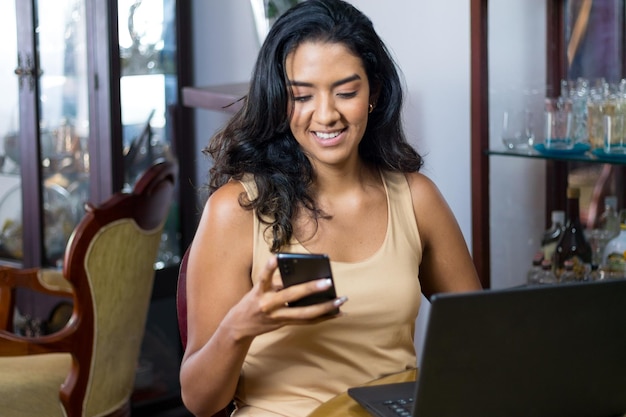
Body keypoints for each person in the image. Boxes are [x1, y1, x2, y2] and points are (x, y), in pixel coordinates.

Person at [180, 1, 482, 416]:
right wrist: (241, 325)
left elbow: (481, 340)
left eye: (346, 92)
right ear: (279, 101)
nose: (326, 115)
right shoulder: (236, 210)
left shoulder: (417, 199)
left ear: (373, 92)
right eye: (301, 96)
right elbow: (198, 401)